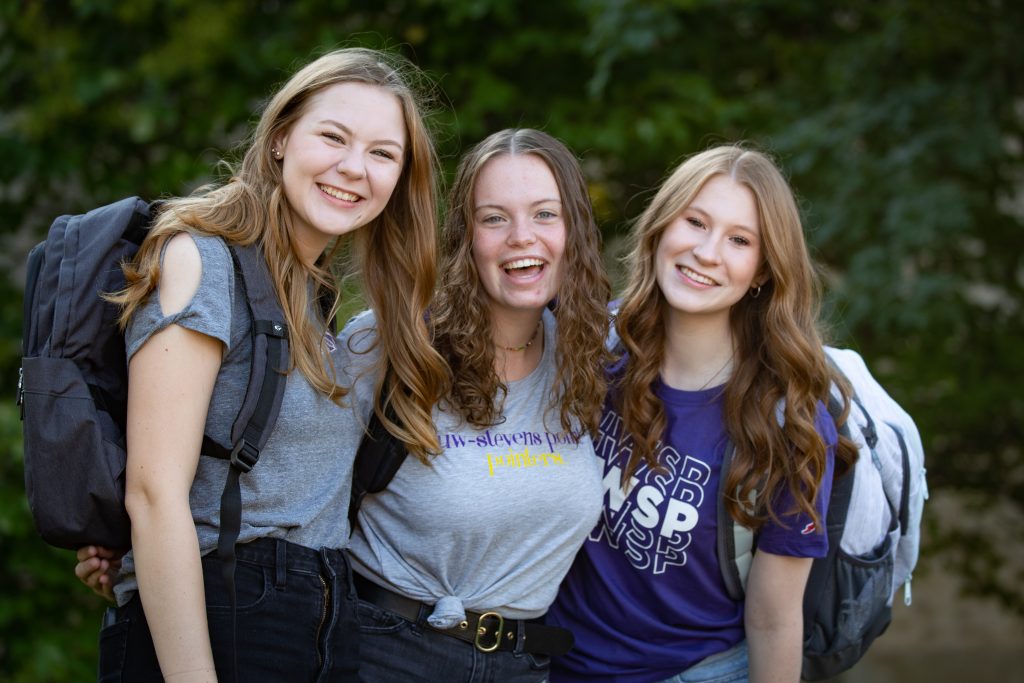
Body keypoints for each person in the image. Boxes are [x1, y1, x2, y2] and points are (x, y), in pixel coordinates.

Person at [84, 47, 447, 682]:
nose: (353, 168)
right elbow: (155, 492)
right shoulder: (201, 259)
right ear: (280, 138)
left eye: (383, 153)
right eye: (332, 136)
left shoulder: (314, 296)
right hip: (228, 612)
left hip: (324, 617)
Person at [546, 144, 858, 683]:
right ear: (664, 227)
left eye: (740, 240)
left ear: (762, 271)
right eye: (696, 222)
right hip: (548, 665)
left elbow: (773, 618)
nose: (707, 252)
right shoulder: (590, 351)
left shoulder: (789, 424)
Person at [339, 128, 612, 682]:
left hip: (524, 664)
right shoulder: (390, 347)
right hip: (387, 653)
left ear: (574, 231)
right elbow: (285, 482)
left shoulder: (590, 353)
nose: (521, 237)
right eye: (494, 218)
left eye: (544, 214)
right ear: (465, 236)